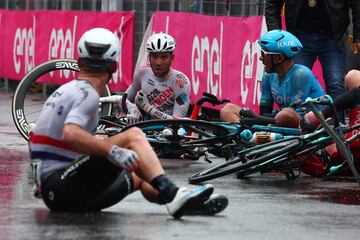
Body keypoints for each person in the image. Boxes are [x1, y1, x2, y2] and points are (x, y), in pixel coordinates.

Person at [28, 28, 228, 217]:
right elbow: (70, 134)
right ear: (114, 66)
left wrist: (41, 181)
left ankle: (182, 203)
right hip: (62, 188)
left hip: (58, 195)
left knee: (141, 173)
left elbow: (36, 136)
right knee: (132, 136)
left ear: (79, 62)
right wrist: (113, 150)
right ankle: (174, 192)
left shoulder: (66, 90)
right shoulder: (87, 94)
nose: (158, 62)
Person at [265, 0, 360, 122]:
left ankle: (338, 129)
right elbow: (272, 4)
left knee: (335, 84)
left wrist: (358, 34)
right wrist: (276, 38)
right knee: (294, 82)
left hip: (333, 36)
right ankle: (298, 129)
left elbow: (357, 4)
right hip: (299, 35)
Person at [220, 29, 325, 128]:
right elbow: (264, 113)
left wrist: (258, 121)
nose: (261, 58)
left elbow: (294, 115)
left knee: (285, 114)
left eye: (264, 54)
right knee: (227, 110)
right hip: (280, 121)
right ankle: (245, 138)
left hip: (308, 124)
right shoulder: (268, 76)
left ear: (279, 58)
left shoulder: (301, 74)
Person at [300, 69, 360, 176]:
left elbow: (357, 93)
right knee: (353, 75)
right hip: (350, 149)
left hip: (351, 151)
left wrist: (321, 115)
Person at [123, 32, 191, 124]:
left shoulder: (181, 82)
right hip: (142, 130)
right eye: (154, 57)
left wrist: (146, 107)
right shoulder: (142, 74)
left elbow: (177, 122)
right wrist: (133, 109)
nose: (158, 62)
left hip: (167, 133)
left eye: (164, 57)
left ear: (172, 58)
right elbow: (123, 99)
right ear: (149, 58)